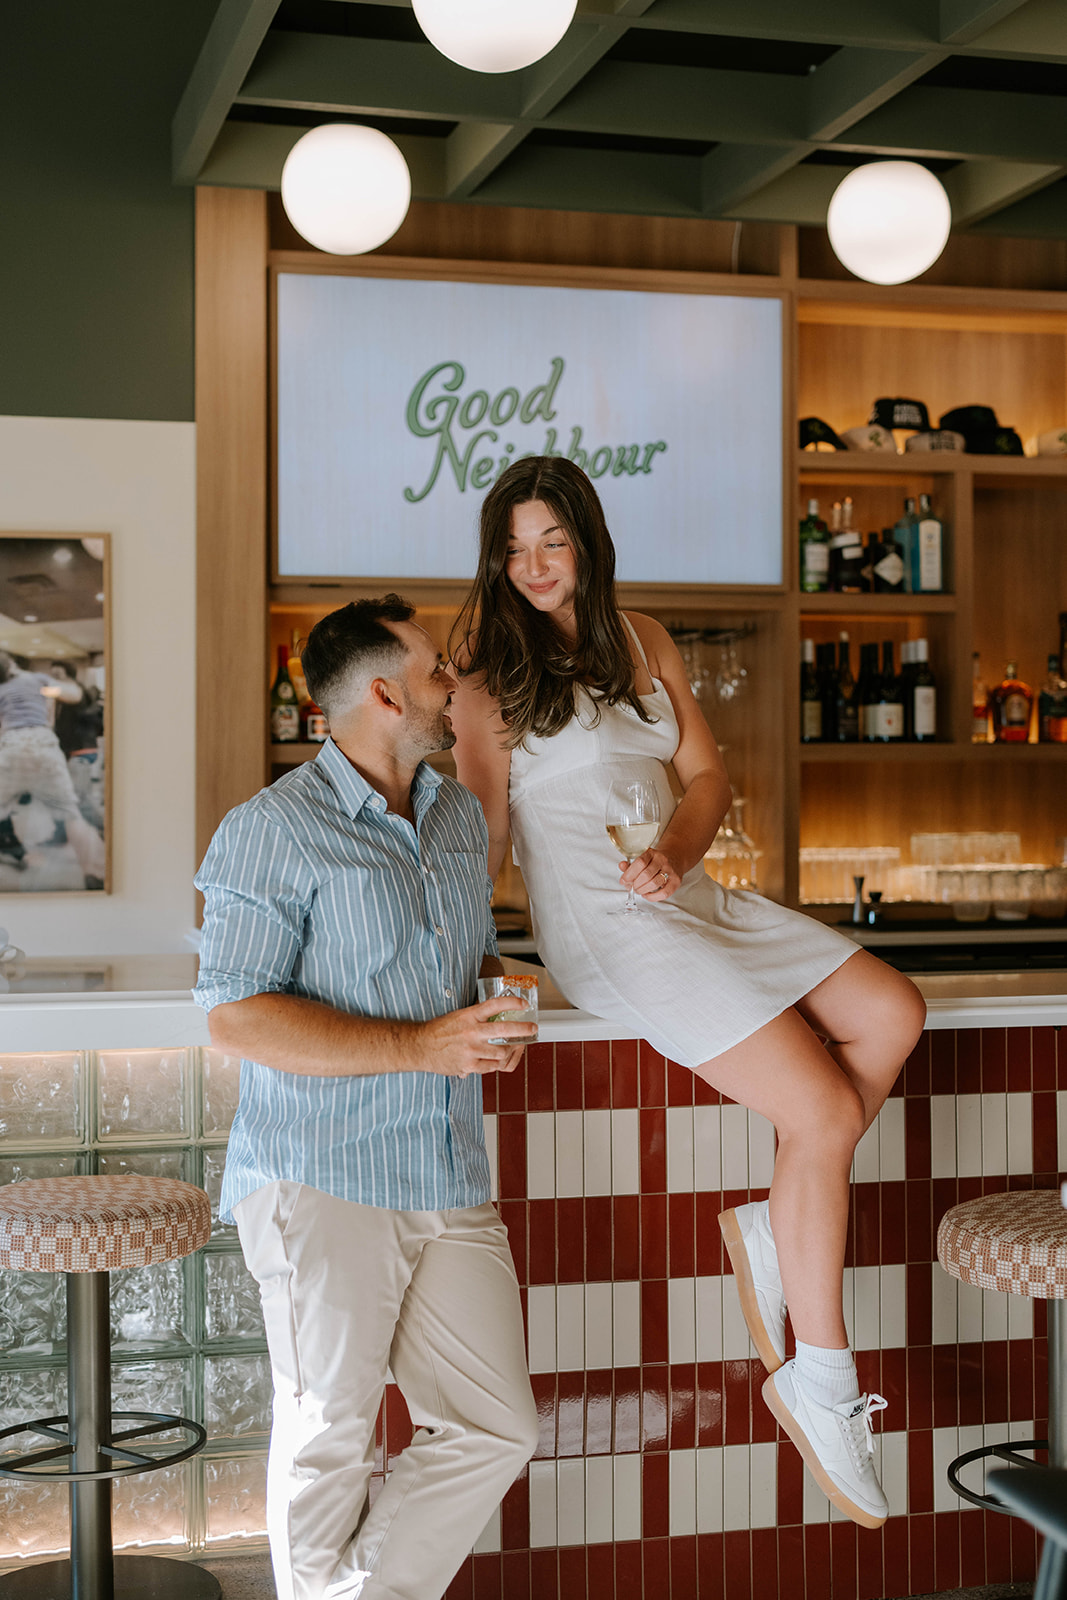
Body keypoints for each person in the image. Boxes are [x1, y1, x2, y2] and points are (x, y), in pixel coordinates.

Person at [448, 458, 926, 1531]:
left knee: (893, 1011)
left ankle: (777, 1221)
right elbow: (479, 836)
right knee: (817, 1112)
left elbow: (706, 781)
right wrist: (465, 957)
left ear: (587, 541)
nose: (532, 567)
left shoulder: (644, 638)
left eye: (551, 543)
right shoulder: (485, 678)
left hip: (694, 895)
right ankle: (820, 1373)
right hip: (606, 930)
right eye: (513, 548)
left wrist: (674, 847)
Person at [195, 596, 539, 1600]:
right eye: (438, 673)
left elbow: (457, 961)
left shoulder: (455, 814)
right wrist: (420, 1043)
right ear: (385, 692)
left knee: (495, 1423)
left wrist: (494, 999)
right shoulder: (269, 829)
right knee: (328, 1434)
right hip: (321, 1171)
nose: (452, 688)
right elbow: (236, 1019)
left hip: (443, 1167)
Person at [0, 652, 106, 886]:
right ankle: (93, 871)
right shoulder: (35, 679)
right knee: (71, 813)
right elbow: (75, 694)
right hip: (43, 745)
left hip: (11, 745)